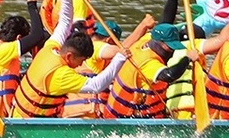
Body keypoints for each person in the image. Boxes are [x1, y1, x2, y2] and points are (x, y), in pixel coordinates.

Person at [13, 17, 154, 118]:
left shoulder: (51, 49)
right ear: (109, 40)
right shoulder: (97, 48)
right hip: (76, 117)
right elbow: (120, 52)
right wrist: (142, 28)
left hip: (44, 113)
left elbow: (64, 22)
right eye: (81, 60)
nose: (81, 64)